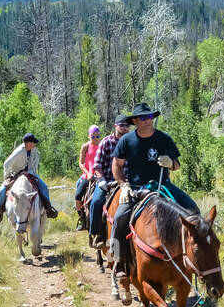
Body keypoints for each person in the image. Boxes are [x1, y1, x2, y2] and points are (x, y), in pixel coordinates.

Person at [108, 103, 198, 280]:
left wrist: (171, 163)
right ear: (135, 121)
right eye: (143, 118)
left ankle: (194, 260)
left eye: (150, 117)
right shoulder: (127, 141)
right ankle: (118, 261)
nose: (148, 121)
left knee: (193, 210)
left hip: (163, 186)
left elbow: (177, 165)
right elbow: (116, 166)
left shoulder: (163, 138)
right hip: (136, 189)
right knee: (119, 219)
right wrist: (123, 185)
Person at [0, 133, 58, 223]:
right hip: (16, 174)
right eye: (33, 142)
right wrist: (7, 177)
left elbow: (35, 165)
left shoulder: (35, 151)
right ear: (28, 143)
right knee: (1, 191)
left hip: (30, 174)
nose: (35, 144)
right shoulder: (19, 151)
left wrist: (29, 172)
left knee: (44, 187)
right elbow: (6, 163)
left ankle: (48, 209)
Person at [88, 115, 132, 244]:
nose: (124, 128)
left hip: (126, 183)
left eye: (127, 126)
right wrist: (101, 180)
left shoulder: (130, 143)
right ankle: (95, 234)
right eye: (122, 125)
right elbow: (97, 164)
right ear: (115, 126)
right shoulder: (106, 142)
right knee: (96, 202)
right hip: (107, 182)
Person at [73, 125, 103, 229]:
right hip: (87, 176)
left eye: (97, 136)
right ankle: (81, 218)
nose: (95, 138)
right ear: (88, 136)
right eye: (93, 136)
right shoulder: (85, 146)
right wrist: (88, 173)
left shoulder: (103, 145)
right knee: (78, 195)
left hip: (100, 176)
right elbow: (81, 163)